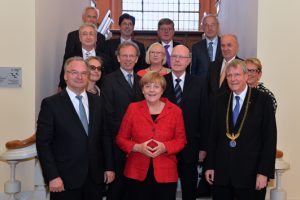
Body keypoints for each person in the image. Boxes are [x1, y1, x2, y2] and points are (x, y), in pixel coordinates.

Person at [36, 57, 115, 200]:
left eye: (84, 73)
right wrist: (52, 176)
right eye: (74, 72)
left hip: (95, 178)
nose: (79, 77)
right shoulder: (51, 104)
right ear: (65, 75)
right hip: (64, 179)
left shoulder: (98, 102)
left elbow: (105, 136)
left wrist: (109, 167)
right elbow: (43, 144)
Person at [205, 59, 277, 200]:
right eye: (229, 75)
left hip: (251, 175)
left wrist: (264, 172)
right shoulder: (219, 100)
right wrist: (210, 166)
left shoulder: (263, 100)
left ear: (246, 76)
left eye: (237, 75)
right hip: (222, 175)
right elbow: (213, 136)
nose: (233, 79)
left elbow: (270, 139)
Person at [116, 71, 187, 200]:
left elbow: (181, 140)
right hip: (136, 172)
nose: (151, 90)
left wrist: (165, 147)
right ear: (142, 90)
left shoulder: (175, 111)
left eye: (156, 86)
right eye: (147, 86)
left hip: (166, 173)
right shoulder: (133, 108)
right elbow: (121, 139)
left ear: (162, 90)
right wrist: (138, 147)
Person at [164, 45, 209, 200]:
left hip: (191, 145)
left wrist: (203, 147)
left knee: (189, 189)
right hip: (165, 147)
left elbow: (205, 116)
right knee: (167, 188)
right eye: (174, 56)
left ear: (188, 61)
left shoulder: (200, 83)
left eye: (181, 57)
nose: (177, 60)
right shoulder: (160, 83)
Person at [101, 41, 144, 200]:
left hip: (139, 145)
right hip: (117, 143)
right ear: (118, 58)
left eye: (131, 56)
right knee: (117, 189)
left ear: (137, 58)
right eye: (124, 56)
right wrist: (127, 135)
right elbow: (108, 114)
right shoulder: (109, 80)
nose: (128, 59)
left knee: (135, 188)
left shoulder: (142, 81)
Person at [58, 23, 113, 90]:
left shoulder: (106, 59)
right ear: (80, 38)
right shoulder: (71, 57)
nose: (88, 37)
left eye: (91, 34)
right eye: (85, 34)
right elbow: (64, 78)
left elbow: (109, 82)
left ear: (96, 38)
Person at [191, 14, 222, 79]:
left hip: (220, 86)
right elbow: (193, 71)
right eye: (206, 25)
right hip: (201, 86)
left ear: (218, 26)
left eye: (212, 25)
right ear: (203, 28)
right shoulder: (196, 47)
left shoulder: (224, 44)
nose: (209, 28)